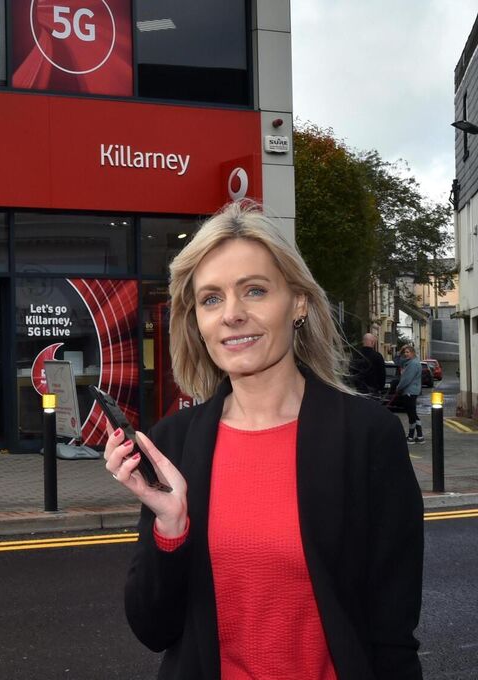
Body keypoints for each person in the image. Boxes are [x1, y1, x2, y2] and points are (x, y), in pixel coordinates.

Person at [104, 201, 423, 679]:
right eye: (211, 299)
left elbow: (393, 633)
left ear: (297, 302)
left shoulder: (366, 435)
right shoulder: (173, 440)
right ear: (197, 322)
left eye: (253, 290)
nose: (232, 314)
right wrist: (171, 527)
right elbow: (154, 629)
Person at [395, 344, 424, 444]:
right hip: (412, 391)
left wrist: (398, 388)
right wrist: (400, 352)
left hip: (409, 391)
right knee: (413, 414)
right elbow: (398, 362)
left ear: (413, 353)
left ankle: (411, 437)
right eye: (405, 352)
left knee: (411, 414)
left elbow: (406, 379)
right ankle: (420, 436)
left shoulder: (413, 364)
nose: (406, 354)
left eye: (408, 352)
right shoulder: (410, 362)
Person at [347, 332, 386, 397]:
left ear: (363, 341)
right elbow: (382, 375)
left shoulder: (355, 355)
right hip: (373, 391)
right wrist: (380, 388)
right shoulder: (377, 356)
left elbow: (351, 371)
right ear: (373, 342)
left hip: (358, 391)